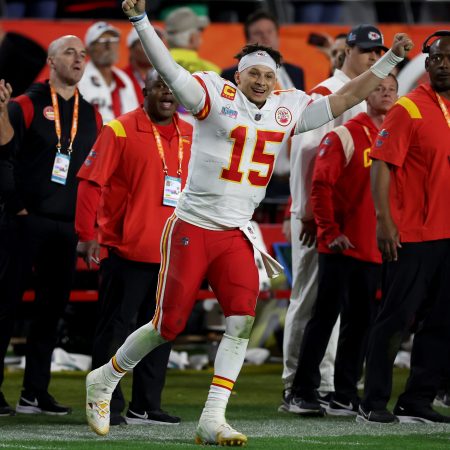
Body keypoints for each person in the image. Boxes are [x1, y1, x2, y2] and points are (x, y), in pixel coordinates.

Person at [85, 0, 412, 444]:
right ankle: (104, 378)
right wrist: (141, 22)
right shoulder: (211, 96)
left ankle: (213, 416)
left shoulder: (286, 107)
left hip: (237, 231)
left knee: (240, 319)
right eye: (253, 73)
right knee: (169, 325)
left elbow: (348, 97)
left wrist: (391, 59)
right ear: (236, 76)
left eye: (267, 75)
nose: (261, 80)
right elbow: (168, 66)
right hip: (193, 225)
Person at [76, 69, 192, 426]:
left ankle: (146, 406)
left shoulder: (192, 134)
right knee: (115, 330)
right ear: (145, 90)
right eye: (160, 86)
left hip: (172, 254)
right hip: (125, 251)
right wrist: (86, 234)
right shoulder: (119, 129)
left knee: (161, 329)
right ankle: (105, 402)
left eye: (173, 88)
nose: (167, 94)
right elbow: (90, 183)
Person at [282, 24, 388, 413]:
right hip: (318, 215)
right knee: (309, 300)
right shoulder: (328, 92)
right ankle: (295, 384)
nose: (374, 59)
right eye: (366, 52)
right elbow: (307, 154)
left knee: (338, 304)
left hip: (348, 220)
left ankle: (326, 383)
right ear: (346, 52)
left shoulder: (369, 94)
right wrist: (310, 213)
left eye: (378, 54)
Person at [0, 35, 102, 415]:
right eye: (69, 52)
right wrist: (17, 206)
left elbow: (93, 175)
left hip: (66, 227)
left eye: (82, 54)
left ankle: (34, 392)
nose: (78, 59)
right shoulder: (25, 104)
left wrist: (89, 228)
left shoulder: (91, 114)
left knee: (51, 312)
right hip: (22, 221)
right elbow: (4, 156)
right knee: (4, 306)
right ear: (51, 60)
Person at [357, 32, 450, 424]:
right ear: (426, 65)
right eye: (436, 58)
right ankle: (372, 402)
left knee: (443, 322)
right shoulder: (408, 108)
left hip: (447, 236)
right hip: (411, 235)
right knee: (395, 319)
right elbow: (381, 163)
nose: (442, 64)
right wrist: (385, 221)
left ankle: (418, 400)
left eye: (448, 58)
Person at [221, 9, 305, 202]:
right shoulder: (230, 75)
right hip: (252, 173)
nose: (265, 37)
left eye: (270, 32)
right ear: (248, 41)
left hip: (292, 175)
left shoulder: (296, 72)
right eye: (258, 33)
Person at [78, 21, 138, 124]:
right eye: (102, 40)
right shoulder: (79, 78)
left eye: (113, 40)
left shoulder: (124, 79)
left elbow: (134, 116)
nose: (109, 45)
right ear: (88, 49)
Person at [165, 6, 220, 74]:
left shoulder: (155, 64)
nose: (200, 34)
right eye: (200, 30)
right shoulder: (210, 71)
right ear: (192, 38)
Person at [122, 26, 165, 104]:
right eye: (145, 43)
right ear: (131, 48)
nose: (152, 47)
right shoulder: (119, 78)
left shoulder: (166, 78)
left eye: (156, 42)